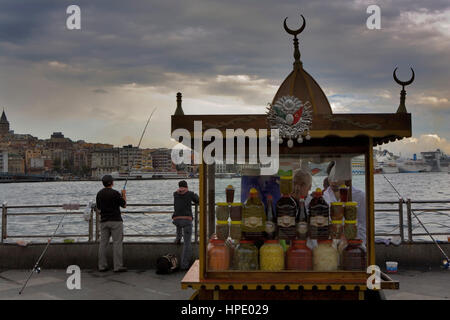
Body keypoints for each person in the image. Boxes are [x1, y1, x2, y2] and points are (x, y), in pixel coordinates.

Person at [323, 161, 367, 245]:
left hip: (353, 244)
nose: (334, 181)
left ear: (346, 178)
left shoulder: (359, 196)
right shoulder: (324, 197)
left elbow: (364, 225)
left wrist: (357, 244)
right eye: (331, 177)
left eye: (337, 177)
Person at [96, 175, 127, 273]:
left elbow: (99, 207)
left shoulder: (99, 194)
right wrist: (124, 194)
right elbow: (124, 205)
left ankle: (102, 266)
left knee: (103, 244)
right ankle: (117, 266)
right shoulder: (115, 193)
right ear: (112, 182)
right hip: (116, 221)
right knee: (117, 243)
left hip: (104, 221)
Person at [173, 180, 199, 270]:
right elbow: (198, 200)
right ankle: (184, 265)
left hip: (176, 219)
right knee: (187, 244)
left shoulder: (175, 194)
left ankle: (178, 238)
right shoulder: (190, 193)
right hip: (186, 220)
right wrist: (194, 195)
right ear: (187, 186)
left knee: (179, 224)